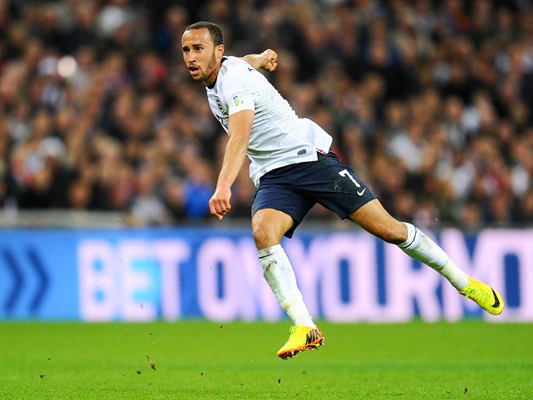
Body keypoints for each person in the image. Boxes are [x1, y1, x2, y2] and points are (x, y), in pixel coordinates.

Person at [181, 21, 504, 360]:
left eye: (198, 49)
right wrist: (262, 57)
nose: (190, 56)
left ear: (218, 51)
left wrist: (222, 186)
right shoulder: (226, 71)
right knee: (263, 232)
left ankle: (465, 283)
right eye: (186, 50)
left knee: (391, 230)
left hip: (310, 161)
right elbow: (244, 60)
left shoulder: (234, 81)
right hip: (275, 175)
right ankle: (304, 325)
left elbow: (239, 137)